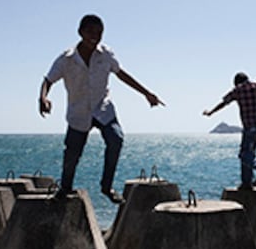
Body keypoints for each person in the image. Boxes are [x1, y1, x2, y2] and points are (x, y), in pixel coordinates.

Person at [40, 14, 164, 203]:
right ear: (80, 32)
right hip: (79, 113)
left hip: (103, 109)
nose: (95, 36)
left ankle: (106, 187)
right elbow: (48, 80)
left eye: (99, 32)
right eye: (90, 31)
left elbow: (121, 74)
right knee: (72, 153)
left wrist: (147, 93)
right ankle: (65, 189)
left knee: (116, 138)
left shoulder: (105, 54)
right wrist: (43, 98)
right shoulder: (67, 59)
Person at [203, 73, 256, 189]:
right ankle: (246, 183)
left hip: (249, 128)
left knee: (244, 154)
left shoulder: (238, 90)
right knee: (249, 153)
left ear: (237, 82)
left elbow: (224, 102)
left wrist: (210, 112)